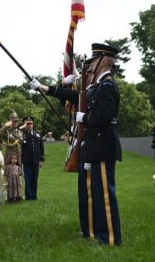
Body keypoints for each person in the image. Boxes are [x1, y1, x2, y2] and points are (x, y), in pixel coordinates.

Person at [30, 43, 122, 245]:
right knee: (96, 194)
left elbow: (105, 116)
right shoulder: (97, 87)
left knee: (105, 196)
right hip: (94, 146)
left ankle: (110, 239)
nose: (89, 66)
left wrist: (85, 118)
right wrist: (45, 88)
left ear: (102, 61)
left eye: (93, 61)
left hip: (103, 146)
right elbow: (75, 96)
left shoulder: (107, 85)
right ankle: (99, 234)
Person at [21, 116, 45, 201]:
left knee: (34, 179)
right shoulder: (22, 134)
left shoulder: (37, 134)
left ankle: (34, 195)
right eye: (27, 123)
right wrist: (22, 127)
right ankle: (28, 196)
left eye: (31, 123)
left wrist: (41, 160)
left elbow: (41, 148)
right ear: (24, 124)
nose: (29, 125)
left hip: (36, 160)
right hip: (26, 161)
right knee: (27, 179)